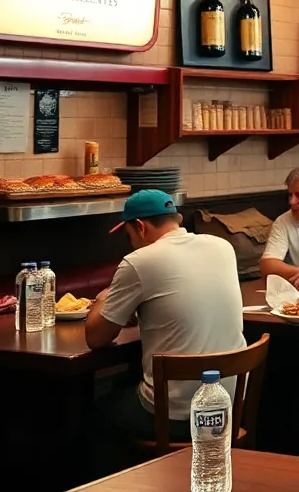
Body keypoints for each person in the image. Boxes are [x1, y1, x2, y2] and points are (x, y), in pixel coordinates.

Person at [87, 189, 246, 441]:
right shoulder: (222, 247)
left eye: (129, 236)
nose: (131, 243)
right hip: (227, 408)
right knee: (124, 387)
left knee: (96, 413)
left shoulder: (138, 261)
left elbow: (95, 338)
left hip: (176, 418)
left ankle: (121, 481)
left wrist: (104, 298)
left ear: (140, 227)